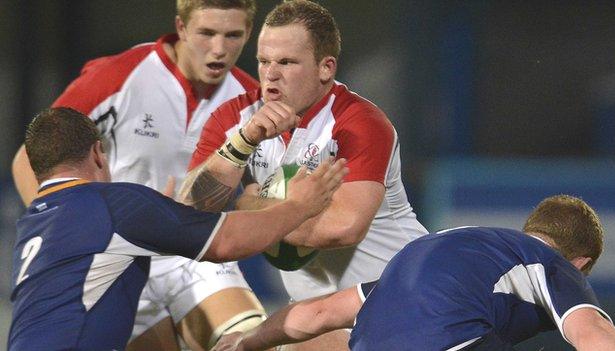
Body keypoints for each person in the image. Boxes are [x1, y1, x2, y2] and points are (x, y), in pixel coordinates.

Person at [11, 1, 267, 350]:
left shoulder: (253, 101)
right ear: (181, 27)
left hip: (197, 251)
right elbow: (28, 158)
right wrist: (68, 234)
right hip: (119, 255)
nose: (219, 49)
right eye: (207, 33)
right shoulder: (121, 75)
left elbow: (258, 189)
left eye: (233, 35)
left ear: (249, 33)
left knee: (254, 342)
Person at [179, 1, 428, 348]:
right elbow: (188, 216)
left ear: (326, 68)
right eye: (264, 61)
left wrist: (249, 205)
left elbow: (343, 228)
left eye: (286, 62)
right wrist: (242, 144)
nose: (270, 74)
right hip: (318, 316)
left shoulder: (358, 123)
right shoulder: (237, 120)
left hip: (399, 302)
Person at [8, 107, 347, 351]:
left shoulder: (34, 223)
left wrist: (161, 221)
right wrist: (300, 205)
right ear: (98, 153)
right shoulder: (112, 204)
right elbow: (227, 242)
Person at [211, 195, 615, 351]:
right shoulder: (552, 264)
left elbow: (316, 315)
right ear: (582, 263)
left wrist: (247, 341)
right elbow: (597, 339)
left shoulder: (456, 255)